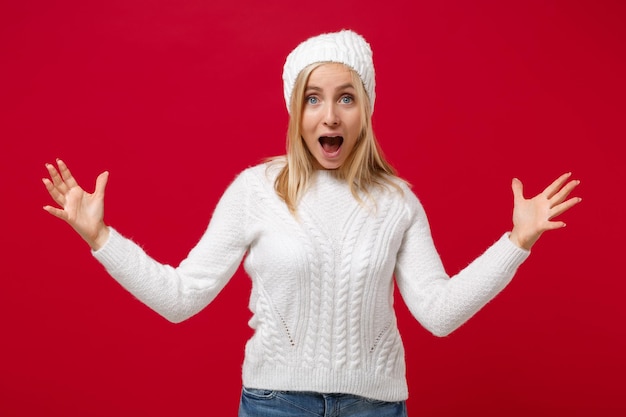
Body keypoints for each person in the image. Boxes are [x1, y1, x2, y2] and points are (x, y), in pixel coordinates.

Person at [42, 30, 581, 417]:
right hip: (275, 406)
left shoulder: (396, 202)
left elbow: (438, 314)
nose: (330, 116)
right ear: (295, 111)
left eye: (346, 98)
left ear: (365, 109)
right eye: (313, 100)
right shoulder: (255, 191)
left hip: (376, 408)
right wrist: (100, 238)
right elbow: (182, 296)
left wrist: (516, 243)